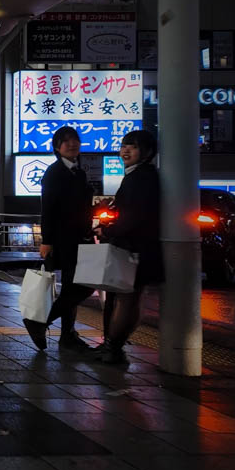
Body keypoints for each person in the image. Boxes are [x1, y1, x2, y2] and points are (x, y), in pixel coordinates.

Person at [24, 126, 95, 352]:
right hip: (64, 239)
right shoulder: (54, 172)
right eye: (66, 142)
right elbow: (49, 209)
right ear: (57, 147)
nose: (72, 144)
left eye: (75, 140)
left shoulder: (79, 172)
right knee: (81, 286)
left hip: (79, 237)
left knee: (73, 287)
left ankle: (67, 333)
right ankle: (42, 323)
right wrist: (47, 240)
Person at [96, 130, 162, 364]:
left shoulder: (140, 177)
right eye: (124, 145)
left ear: (147, 151)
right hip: (141, 246)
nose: (125, 150)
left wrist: (108, 230)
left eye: (132, 146)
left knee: (126, 298)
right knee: (132, 298)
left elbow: (134, 217)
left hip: (135, 247)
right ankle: (115, 346)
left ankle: (112, 347)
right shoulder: (142, 175)